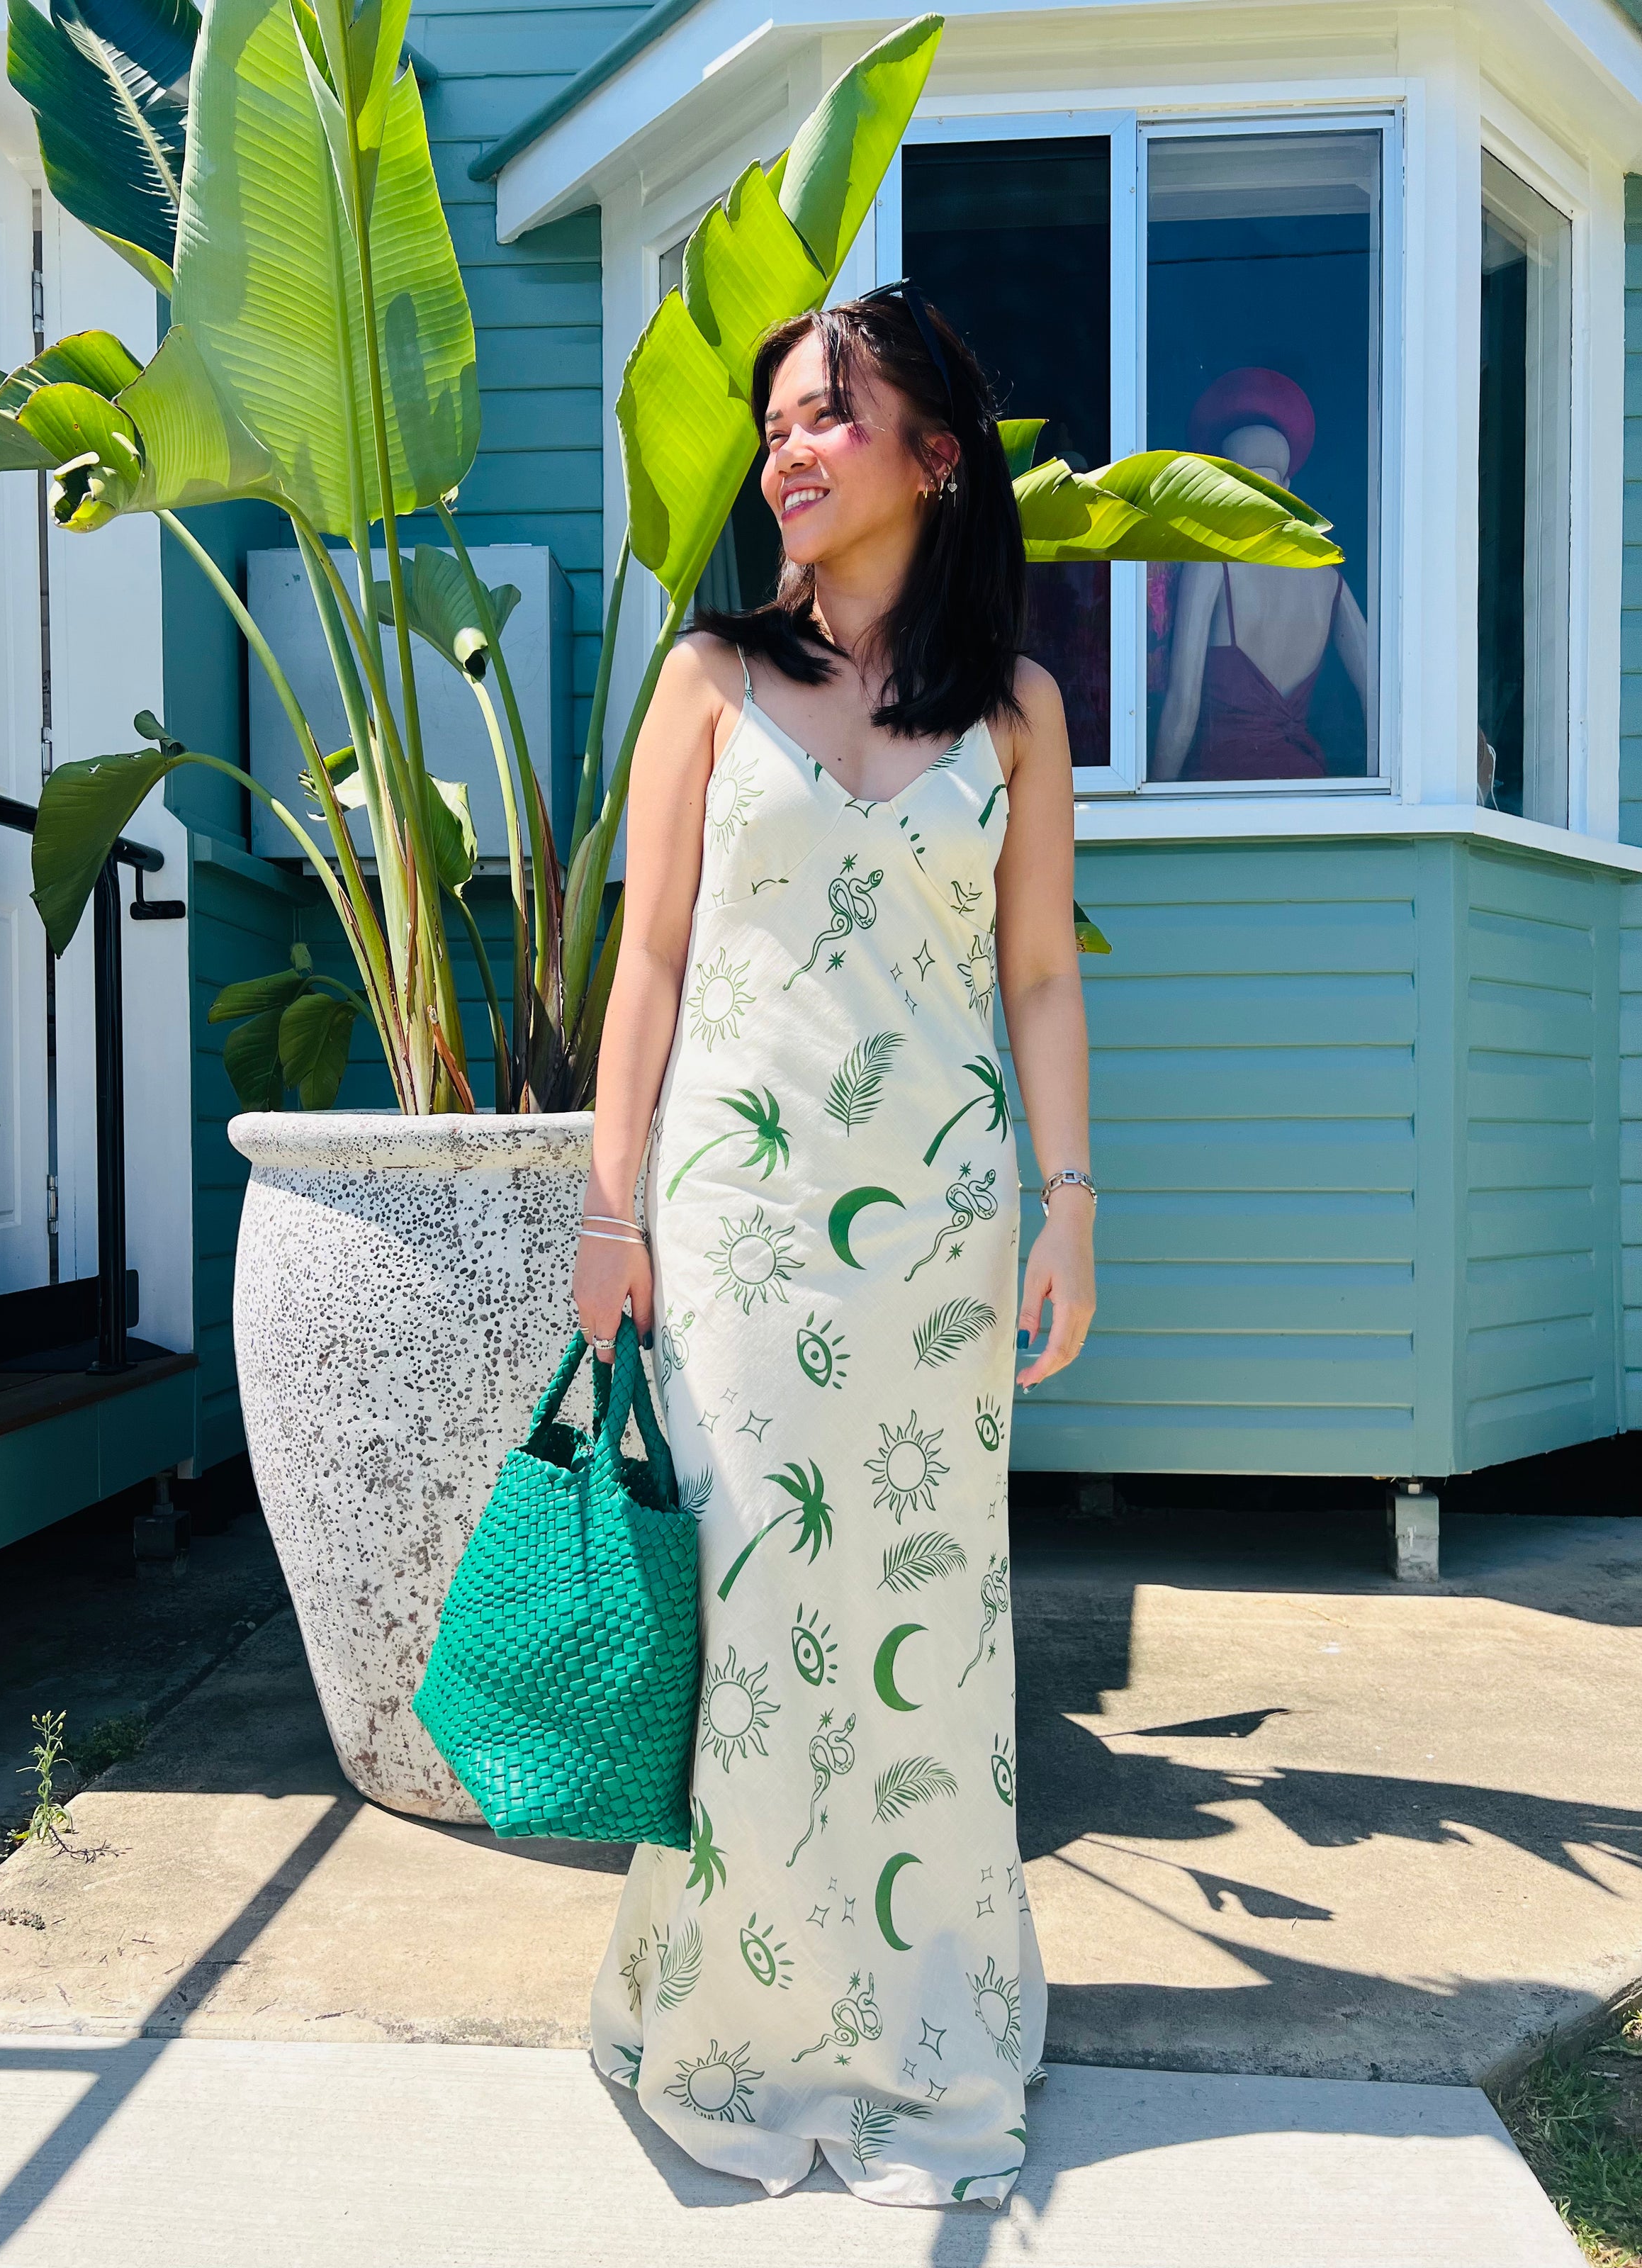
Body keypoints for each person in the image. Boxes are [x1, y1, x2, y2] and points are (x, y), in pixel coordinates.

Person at [570, 286, 1096, 2208]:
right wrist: (609, 1208)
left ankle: (917, 2024)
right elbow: (648, 959)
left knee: (920, 1638)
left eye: (828, 419)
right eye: (778, 422)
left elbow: (1037, 978)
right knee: (760, 1630)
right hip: (736, 1225)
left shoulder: (1017, 711)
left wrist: (1072, 1205)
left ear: (934, 460)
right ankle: (731, 2015)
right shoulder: (709, 679)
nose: (787, 450)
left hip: (937, 1238)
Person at [1151, 366, 1368, 782]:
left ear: (1222, 485)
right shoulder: (1328, 577)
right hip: (1307, 793)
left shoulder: (1213, 559)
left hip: (1223, 798)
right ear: (1288, 484)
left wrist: (1151, 814)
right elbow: (1377, 696)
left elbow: (1183, 706)